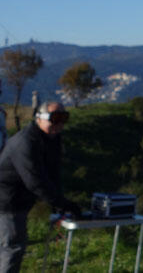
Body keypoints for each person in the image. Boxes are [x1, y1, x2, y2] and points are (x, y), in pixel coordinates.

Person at [0, 102, 81, 273]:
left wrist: (60, 204)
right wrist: (62, 203)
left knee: (10, 246)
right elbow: (35, 181)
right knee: (12, 248)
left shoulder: (52, 138)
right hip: (7, 201)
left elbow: (53, 172)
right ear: (39, 118)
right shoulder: (25, 142)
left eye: (64, 118)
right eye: (55, 119)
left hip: (19, 200)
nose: (60, 124)